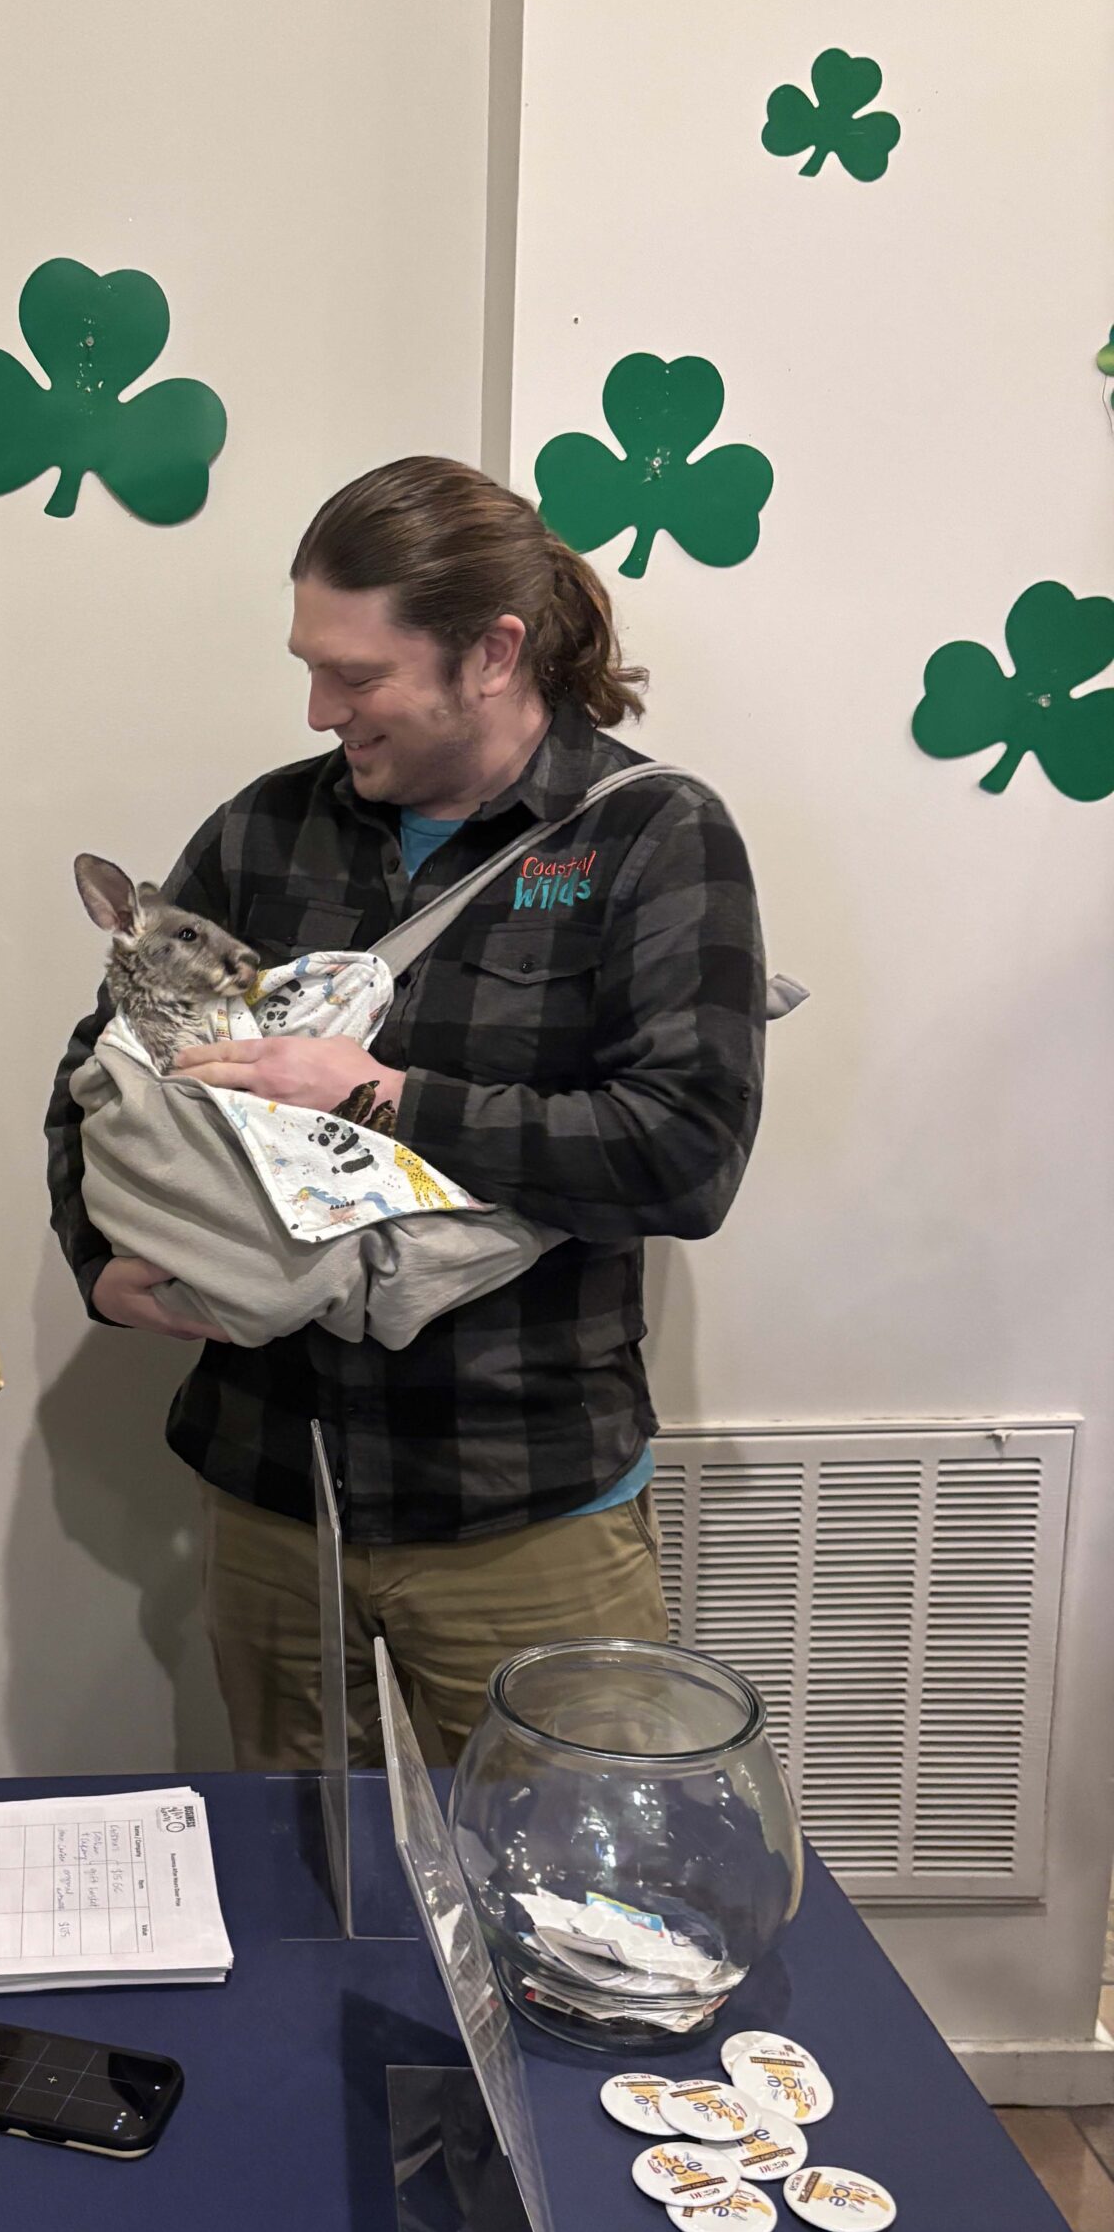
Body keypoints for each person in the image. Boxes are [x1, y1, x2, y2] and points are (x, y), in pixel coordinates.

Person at [47, 457, 764, 1770]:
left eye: (357, 676)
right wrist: (100, 1263)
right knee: (303, 1874)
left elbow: (685, 1156)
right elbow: (105, 1064)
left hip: (528, 1515)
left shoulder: (650, 838)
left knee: (558, 1871)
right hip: (278, 1498)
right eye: (310, 668)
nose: (320, 709)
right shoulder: (265, 833)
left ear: (493, 653)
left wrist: (379, 1096)